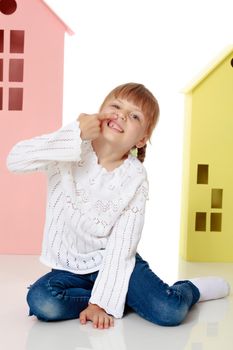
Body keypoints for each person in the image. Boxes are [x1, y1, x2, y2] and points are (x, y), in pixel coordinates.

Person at [6, 83, 230, 330]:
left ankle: (191, 289)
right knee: (41, 300)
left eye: (134, 116)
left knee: (170, 311)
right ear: (99, 113)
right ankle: (119, 297)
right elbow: (15, 159)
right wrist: (73, 133)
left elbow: (122, 246)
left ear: (142, 139)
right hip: (70, 268)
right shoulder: (69, 147)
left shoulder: (134, 177)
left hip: (116, 261)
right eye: (116, 106)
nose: (122, 115)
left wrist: (101, 305)